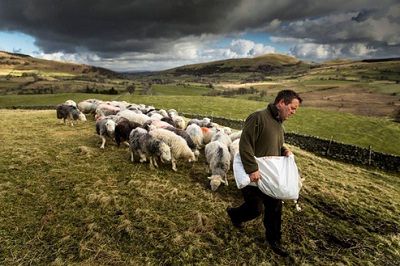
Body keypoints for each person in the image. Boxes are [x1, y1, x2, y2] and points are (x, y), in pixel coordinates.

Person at [226, 89, 302, 257]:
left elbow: (276, 145)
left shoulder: (279, 125)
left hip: (270, 174)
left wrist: (285, 150)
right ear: (282, 103)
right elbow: (245, 145)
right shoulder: (258, 117)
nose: (293, 112)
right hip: (252, 173)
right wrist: (252, 169)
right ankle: (235, 215)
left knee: (275, 207)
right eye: (292, 108)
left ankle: (274, 240)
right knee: (255, 208)